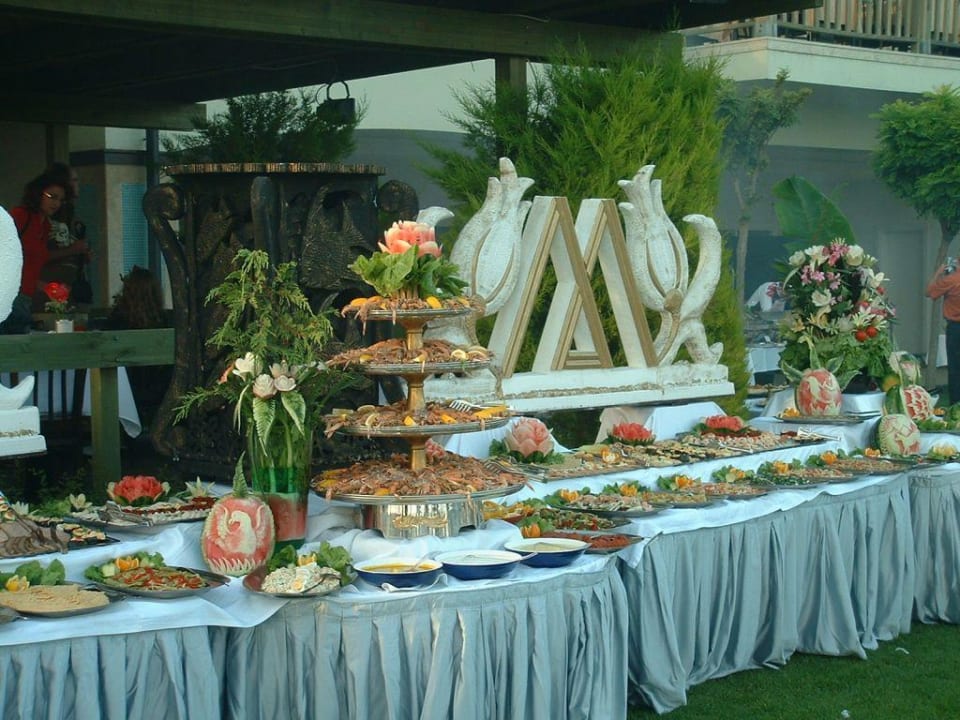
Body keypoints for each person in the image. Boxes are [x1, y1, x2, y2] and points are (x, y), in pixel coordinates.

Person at [0, 171, 88, 332]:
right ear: (38, 194)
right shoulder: (21, 216)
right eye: (52, 197)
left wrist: (48, 287)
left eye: (61, 200)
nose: (56, 203)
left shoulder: (45, 225)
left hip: (24, 296)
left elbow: (35, 262)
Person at [926, 259, 960, 402]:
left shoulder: (951, 279)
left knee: (955, 368)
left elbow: (929, 292)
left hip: (955, 327)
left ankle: (956, 404)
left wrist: (939, 273)